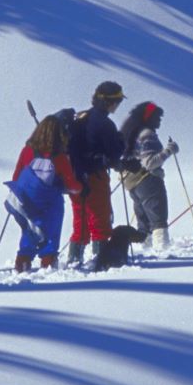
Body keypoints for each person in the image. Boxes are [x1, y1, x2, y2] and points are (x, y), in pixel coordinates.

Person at [7, 114, 83, 272]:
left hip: (26, 199)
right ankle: (48, 263)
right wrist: (81, 188)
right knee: (51, 232)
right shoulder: (60, 157)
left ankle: (22, 262)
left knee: (29, 228)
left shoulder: (27, 150)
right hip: (50, 201)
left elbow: (17, 175)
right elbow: (70, 184)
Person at [67, 80, 128, 268]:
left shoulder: (80, 117)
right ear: (109, 102)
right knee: (100, 216)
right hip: (95, 175)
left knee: (81, 216)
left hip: (74, 175)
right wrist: (121, 142)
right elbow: (114, 153)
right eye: (117, 101)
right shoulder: (105, 124)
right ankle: (101, 258)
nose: (118, 105)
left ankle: (74, 259)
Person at [118, 101, 179, 249]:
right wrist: (169, 150)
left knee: (143, 219)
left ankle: (145, 246)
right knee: (158, 216)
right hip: (148, 180)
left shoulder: (130, 133)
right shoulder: (147, 135)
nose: (159, 121)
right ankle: (162, 247)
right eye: (157, 118)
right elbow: (150, 162)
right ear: (148, 118)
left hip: (131, 181)